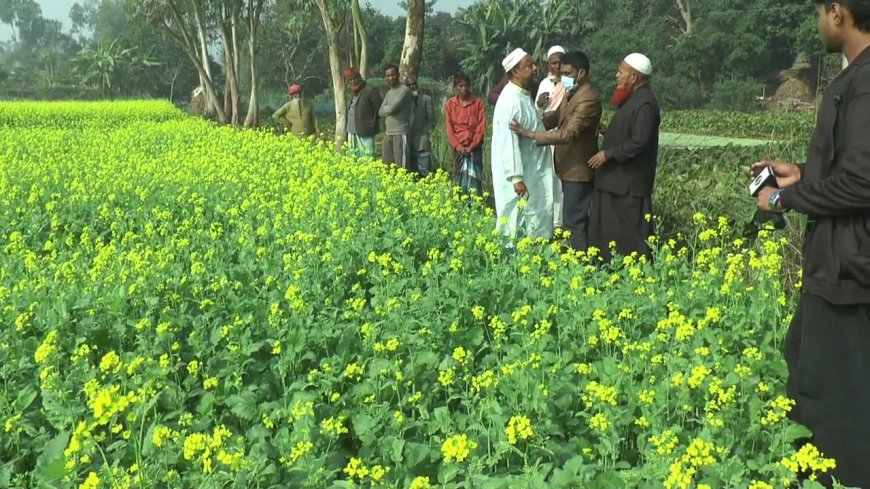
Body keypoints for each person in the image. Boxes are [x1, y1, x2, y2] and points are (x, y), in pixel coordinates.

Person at [752, 1, 870, 486]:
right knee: (804, 371)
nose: (819, 22)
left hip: (848, 272)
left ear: (838, 12)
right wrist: (805, 174)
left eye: (821, 11)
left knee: (833, 401)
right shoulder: (856, 79)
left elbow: (862, 184)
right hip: (840, 267)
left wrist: (785, 199)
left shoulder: (863, 83)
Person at [511, 51, 602, 251]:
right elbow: (557, 116)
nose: (564, 78)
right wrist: (535, 120)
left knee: (574, 221)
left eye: (568, 74)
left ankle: (582, 264)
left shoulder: (588, 100)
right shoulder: (572, 93)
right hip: (567, 168)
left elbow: (568, 133)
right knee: (571, 220)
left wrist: (532, 134)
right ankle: (577, 259)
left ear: (581, 73)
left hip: (578, 171)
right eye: (562, 74)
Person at [587, 53, 660, 262]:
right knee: (608, 235)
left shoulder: (645, 103)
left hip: (628, 186)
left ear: (634, 77)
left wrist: (607, 154)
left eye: (621, 71)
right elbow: (630, 134)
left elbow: (639, 142)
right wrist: (608, 132)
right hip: (615, 184)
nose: (617, 75)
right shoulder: (633, 100)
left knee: (627, 239)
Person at [492, 48, 554, 240]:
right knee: (516, 223)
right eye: (528, 66)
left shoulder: (523, 95)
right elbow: (507, 142)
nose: (534, 69)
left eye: (533, 64)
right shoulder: (511, 101)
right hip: (520, 178)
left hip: (532, 170)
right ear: (514, 72)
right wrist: (516, 177)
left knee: (535, 218)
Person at [536, 45, 567, 231]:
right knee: (548, 178)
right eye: (553, 63)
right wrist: (539, 105)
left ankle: (560, 222)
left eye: (559, 62)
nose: (556, 66)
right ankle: (549, 221)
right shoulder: (544, 84)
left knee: (561, 182)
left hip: (563, 137)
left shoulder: (569, 84)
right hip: (548, 138)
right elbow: (536, 114)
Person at [444, 72, 487, 195]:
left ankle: (476, 208)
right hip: (459, 150)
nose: (464, 88)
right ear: (455, 87)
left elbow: (481, 128)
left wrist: (471, 146)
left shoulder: (478, 103)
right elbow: (449, 129)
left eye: (466, 85)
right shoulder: (450, 104)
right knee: (459, 185)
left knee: (475, 185)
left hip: (474, 149)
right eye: (460, 86)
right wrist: (458, 147)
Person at [379, 64, 414, 169]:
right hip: (388, 133)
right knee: (387, 166)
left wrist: (388, 108)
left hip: (400, 133)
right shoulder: (389, 93)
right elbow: (380, 112)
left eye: (393, 75)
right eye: (388, 76)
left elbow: (392, 108)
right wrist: (387, 109)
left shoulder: (404, 90)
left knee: (401, 168)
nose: (391, 78)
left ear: (398, 75)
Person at [344, 67, 382, 158]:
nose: (353, 81)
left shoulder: (370, 89)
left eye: (355, 78)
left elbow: (379, 108)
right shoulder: (352, 92)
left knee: (367, 156)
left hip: (365, 130)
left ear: (360, 77)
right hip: (351, 129)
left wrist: (371, 122)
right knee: (353, 156)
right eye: (350, 80)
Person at [406, 76, 436, 177]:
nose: (412, 87)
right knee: (411, 174)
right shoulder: (403, 102)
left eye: (413, 84)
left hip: (422, 142)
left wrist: (425, 133)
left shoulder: (426, 99)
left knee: (425, 173)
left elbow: (431, 120)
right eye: (409, 85)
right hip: (407, 143)